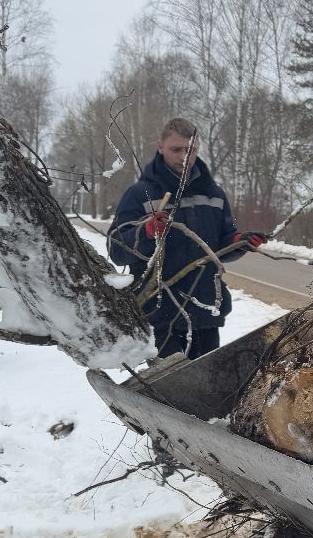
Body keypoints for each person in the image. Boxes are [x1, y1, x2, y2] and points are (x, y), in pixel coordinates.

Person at [107, 117, 265, 360]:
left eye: (189, 150)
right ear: (160, 146)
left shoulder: (214, 194)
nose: (184, 156)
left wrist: (240, 242)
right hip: (160, 315)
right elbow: (116, 249)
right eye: (176, 149)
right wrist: (147, 232)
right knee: (169, 390)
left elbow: (221, 246)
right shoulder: (140, 194)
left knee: (207, 387)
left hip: (205, 312)